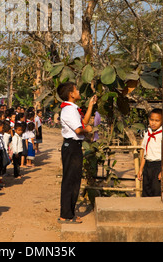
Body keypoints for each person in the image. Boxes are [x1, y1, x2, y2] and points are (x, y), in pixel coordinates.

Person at [57, 81, 97, 223]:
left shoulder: (72, 109)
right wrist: (88, 130)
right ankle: (66, 214)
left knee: (74, 180)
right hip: (71, 146)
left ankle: (68, 213)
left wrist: (91, 105)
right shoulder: (68, 110)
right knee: (70, 181)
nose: (78, 92)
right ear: (71, 94)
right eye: (76, 90)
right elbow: (80, 129)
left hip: (74, 146)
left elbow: (83, 122)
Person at [138, 108, 163, 197]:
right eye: (151, 120)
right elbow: (144, 151)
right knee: (146, 190)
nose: (153, 123)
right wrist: (141, 169)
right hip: (147, 165)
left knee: (156, 191)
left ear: (162, 121)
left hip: (158, 165)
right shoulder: (147, 132)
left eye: (157, 120)